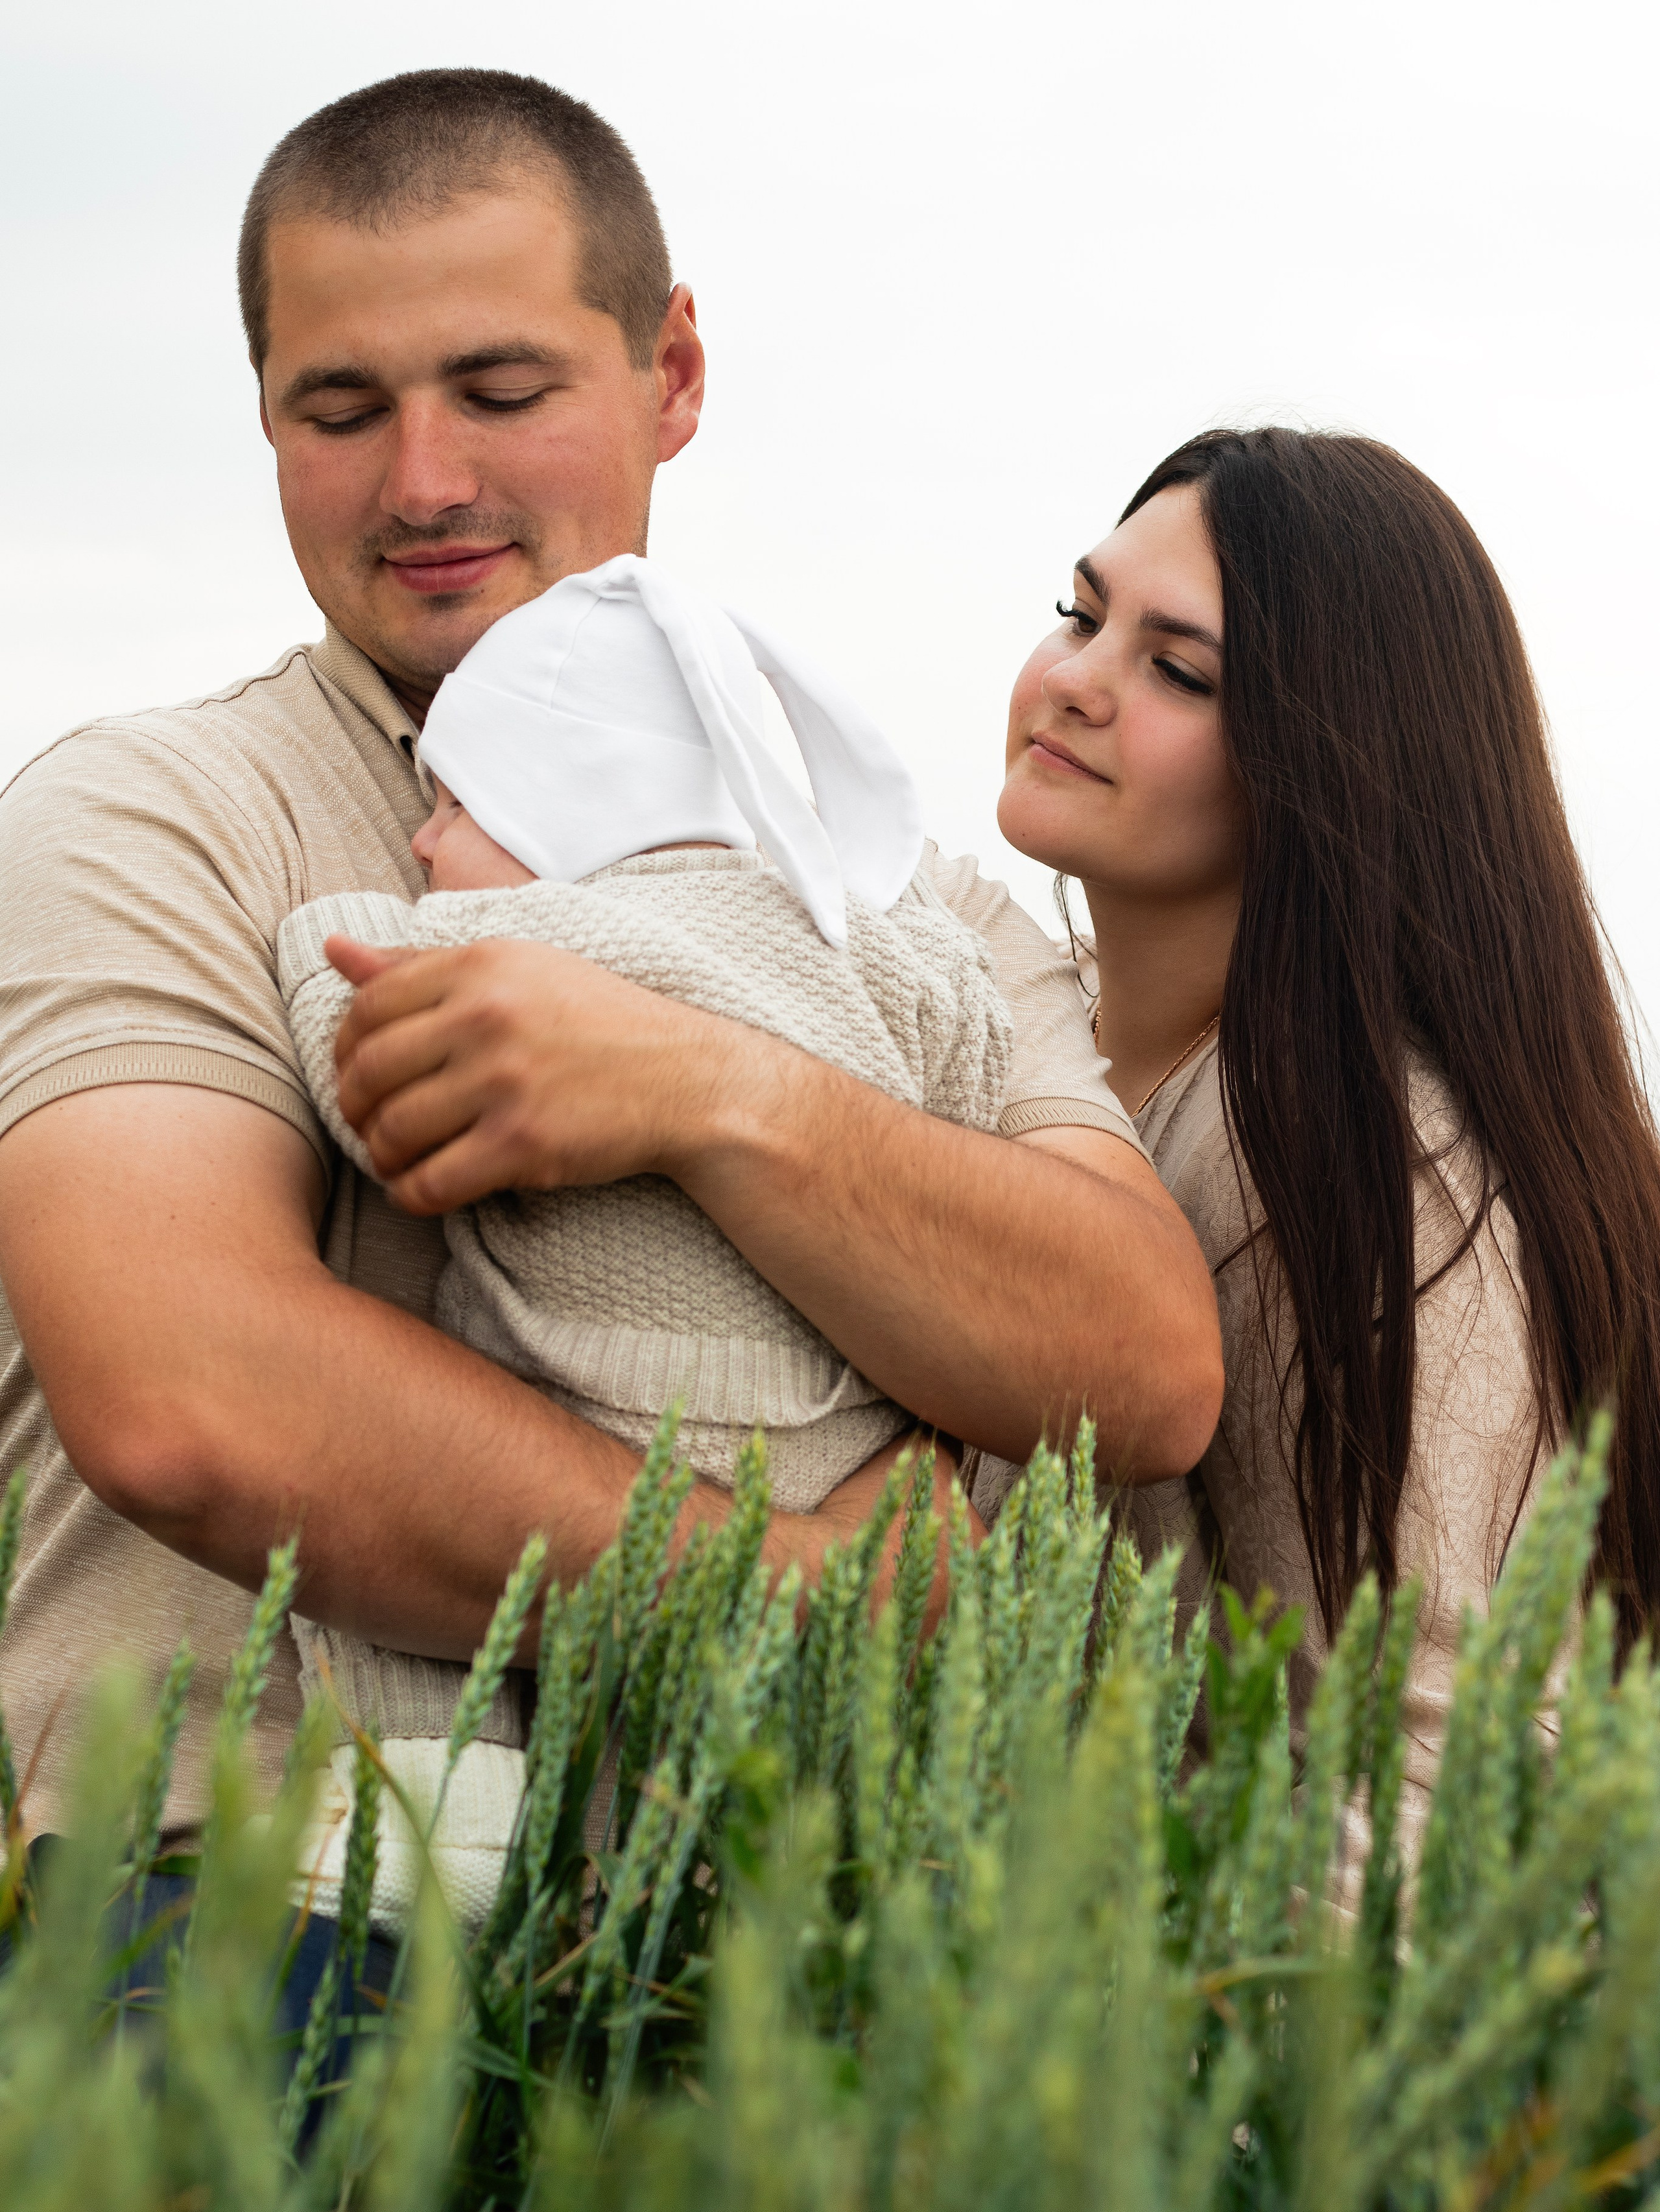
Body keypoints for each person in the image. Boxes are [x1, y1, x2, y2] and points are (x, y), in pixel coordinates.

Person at [0, 69, 1221, 1907]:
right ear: (262, 421)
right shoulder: (153, 814)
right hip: (237, 1934)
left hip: (767, 1967)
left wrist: (708, 1090)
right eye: (340, 409)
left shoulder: (898, 889)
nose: (425, 483)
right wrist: (794, 1601)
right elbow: (196, 1400)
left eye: (502, 392)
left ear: (673, 375)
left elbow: (1139, 1364)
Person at [281, 553, 1013, 1931]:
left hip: (590, 1540)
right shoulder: (893, 952)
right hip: (861, 1509)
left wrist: (327, 932)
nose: (424, 843)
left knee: (423, 1687)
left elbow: (364, 1074)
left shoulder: (516, 942)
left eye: (452, 802)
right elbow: (971, 1092)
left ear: (562, 810)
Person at [988, 425, 1660, 1864]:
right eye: (1078, 613)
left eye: (1176, 670)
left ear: (1325, 760)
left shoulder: (1367, 1164)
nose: (1073, 683)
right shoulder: (1033, 1073)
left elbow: (1419, 1781)